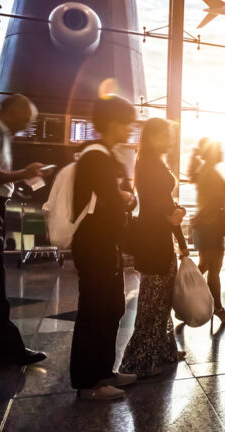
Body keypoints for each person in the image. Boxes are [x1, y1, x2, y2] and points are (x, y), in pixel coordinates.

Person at [70, 95, 138, 400]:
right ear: (114, 122)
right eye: (127, 122)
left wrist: (124, 198)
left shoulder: (104, 155)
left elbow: (117, 197)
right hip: (94, 244)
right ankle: (87, 383)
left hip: (104, 245)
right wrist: (124, 199)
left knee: (112, 308)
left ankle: (104, 372)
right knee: (94, 312)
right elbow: (111, 200)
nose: (130, 128)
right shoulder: (95, 156)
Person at [119, 118, 188, 378]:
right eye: (167, 135)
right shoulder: (149, 165)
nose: (171, 139)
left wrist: (178, 233)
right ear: (154, 137)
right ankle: (138, 360)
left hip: (158, 238)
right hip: (154, 240)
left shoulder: (151, 163)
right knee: (153, 301)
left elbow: (164, 204)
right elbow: (155, 207)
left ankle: (163, 351)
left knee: (160, 300)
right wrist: (172, 217)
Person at [0, 94, 49, 367]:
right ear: (12, 111)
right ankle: (8, 349)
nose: (27, 125)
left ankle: (5, 347)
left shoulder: (2, 136)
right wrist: (23, 173)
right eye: (25, 119)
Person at [188, 138, 225, 326]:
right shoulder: (212, 174)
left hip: (203, 226)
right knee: (214, 270)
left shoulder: (204, 171)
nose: (222, 152)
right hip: (211, 227)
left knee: (205, 266)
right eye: (219, 149)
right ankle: (218, 309)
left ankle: (184, 298)